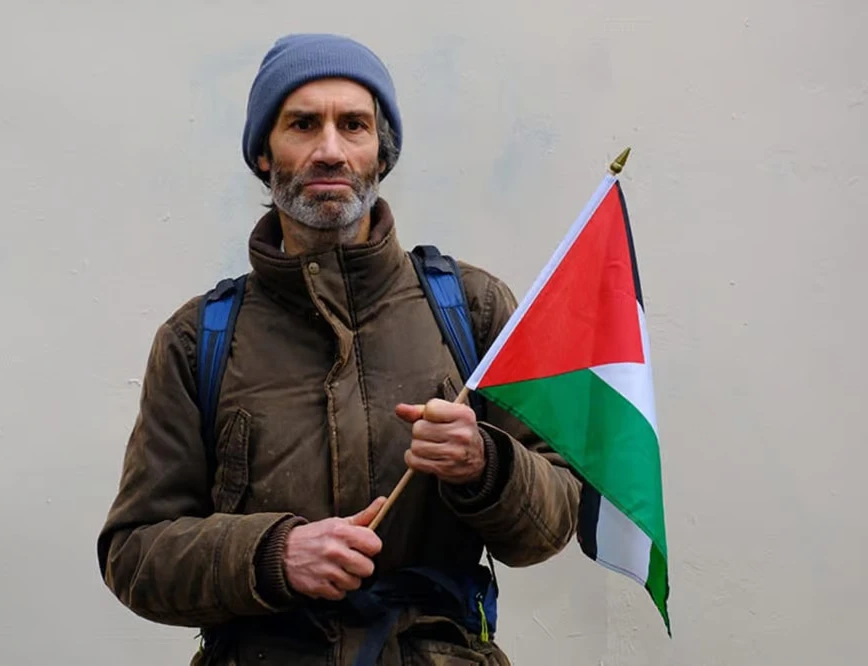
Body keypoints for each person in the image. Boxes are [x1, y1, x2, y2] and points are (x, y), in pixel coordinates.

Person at [96, 33, 581, 666]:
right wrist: (273, 556)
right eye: (302, 125)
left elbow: (554, 519)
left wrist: (484, 463)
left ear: (381, 155)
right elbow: (134, 554)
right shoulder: (198, 340)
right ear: (265, 156)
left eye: (353, 125)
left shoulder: (473, 308)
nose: (330, 150)